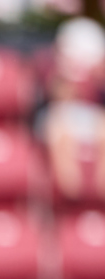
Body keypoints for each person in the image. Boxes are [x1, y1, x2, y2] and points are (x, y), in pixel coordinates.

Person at [42, 17, 105, 201]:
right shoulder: (54, 72)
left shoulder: (97, 77)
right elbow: (57, 99)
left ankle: (100, 186)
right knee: (61, 132)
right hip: (62, 118)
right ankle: (70, 192)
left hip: (90, 116)